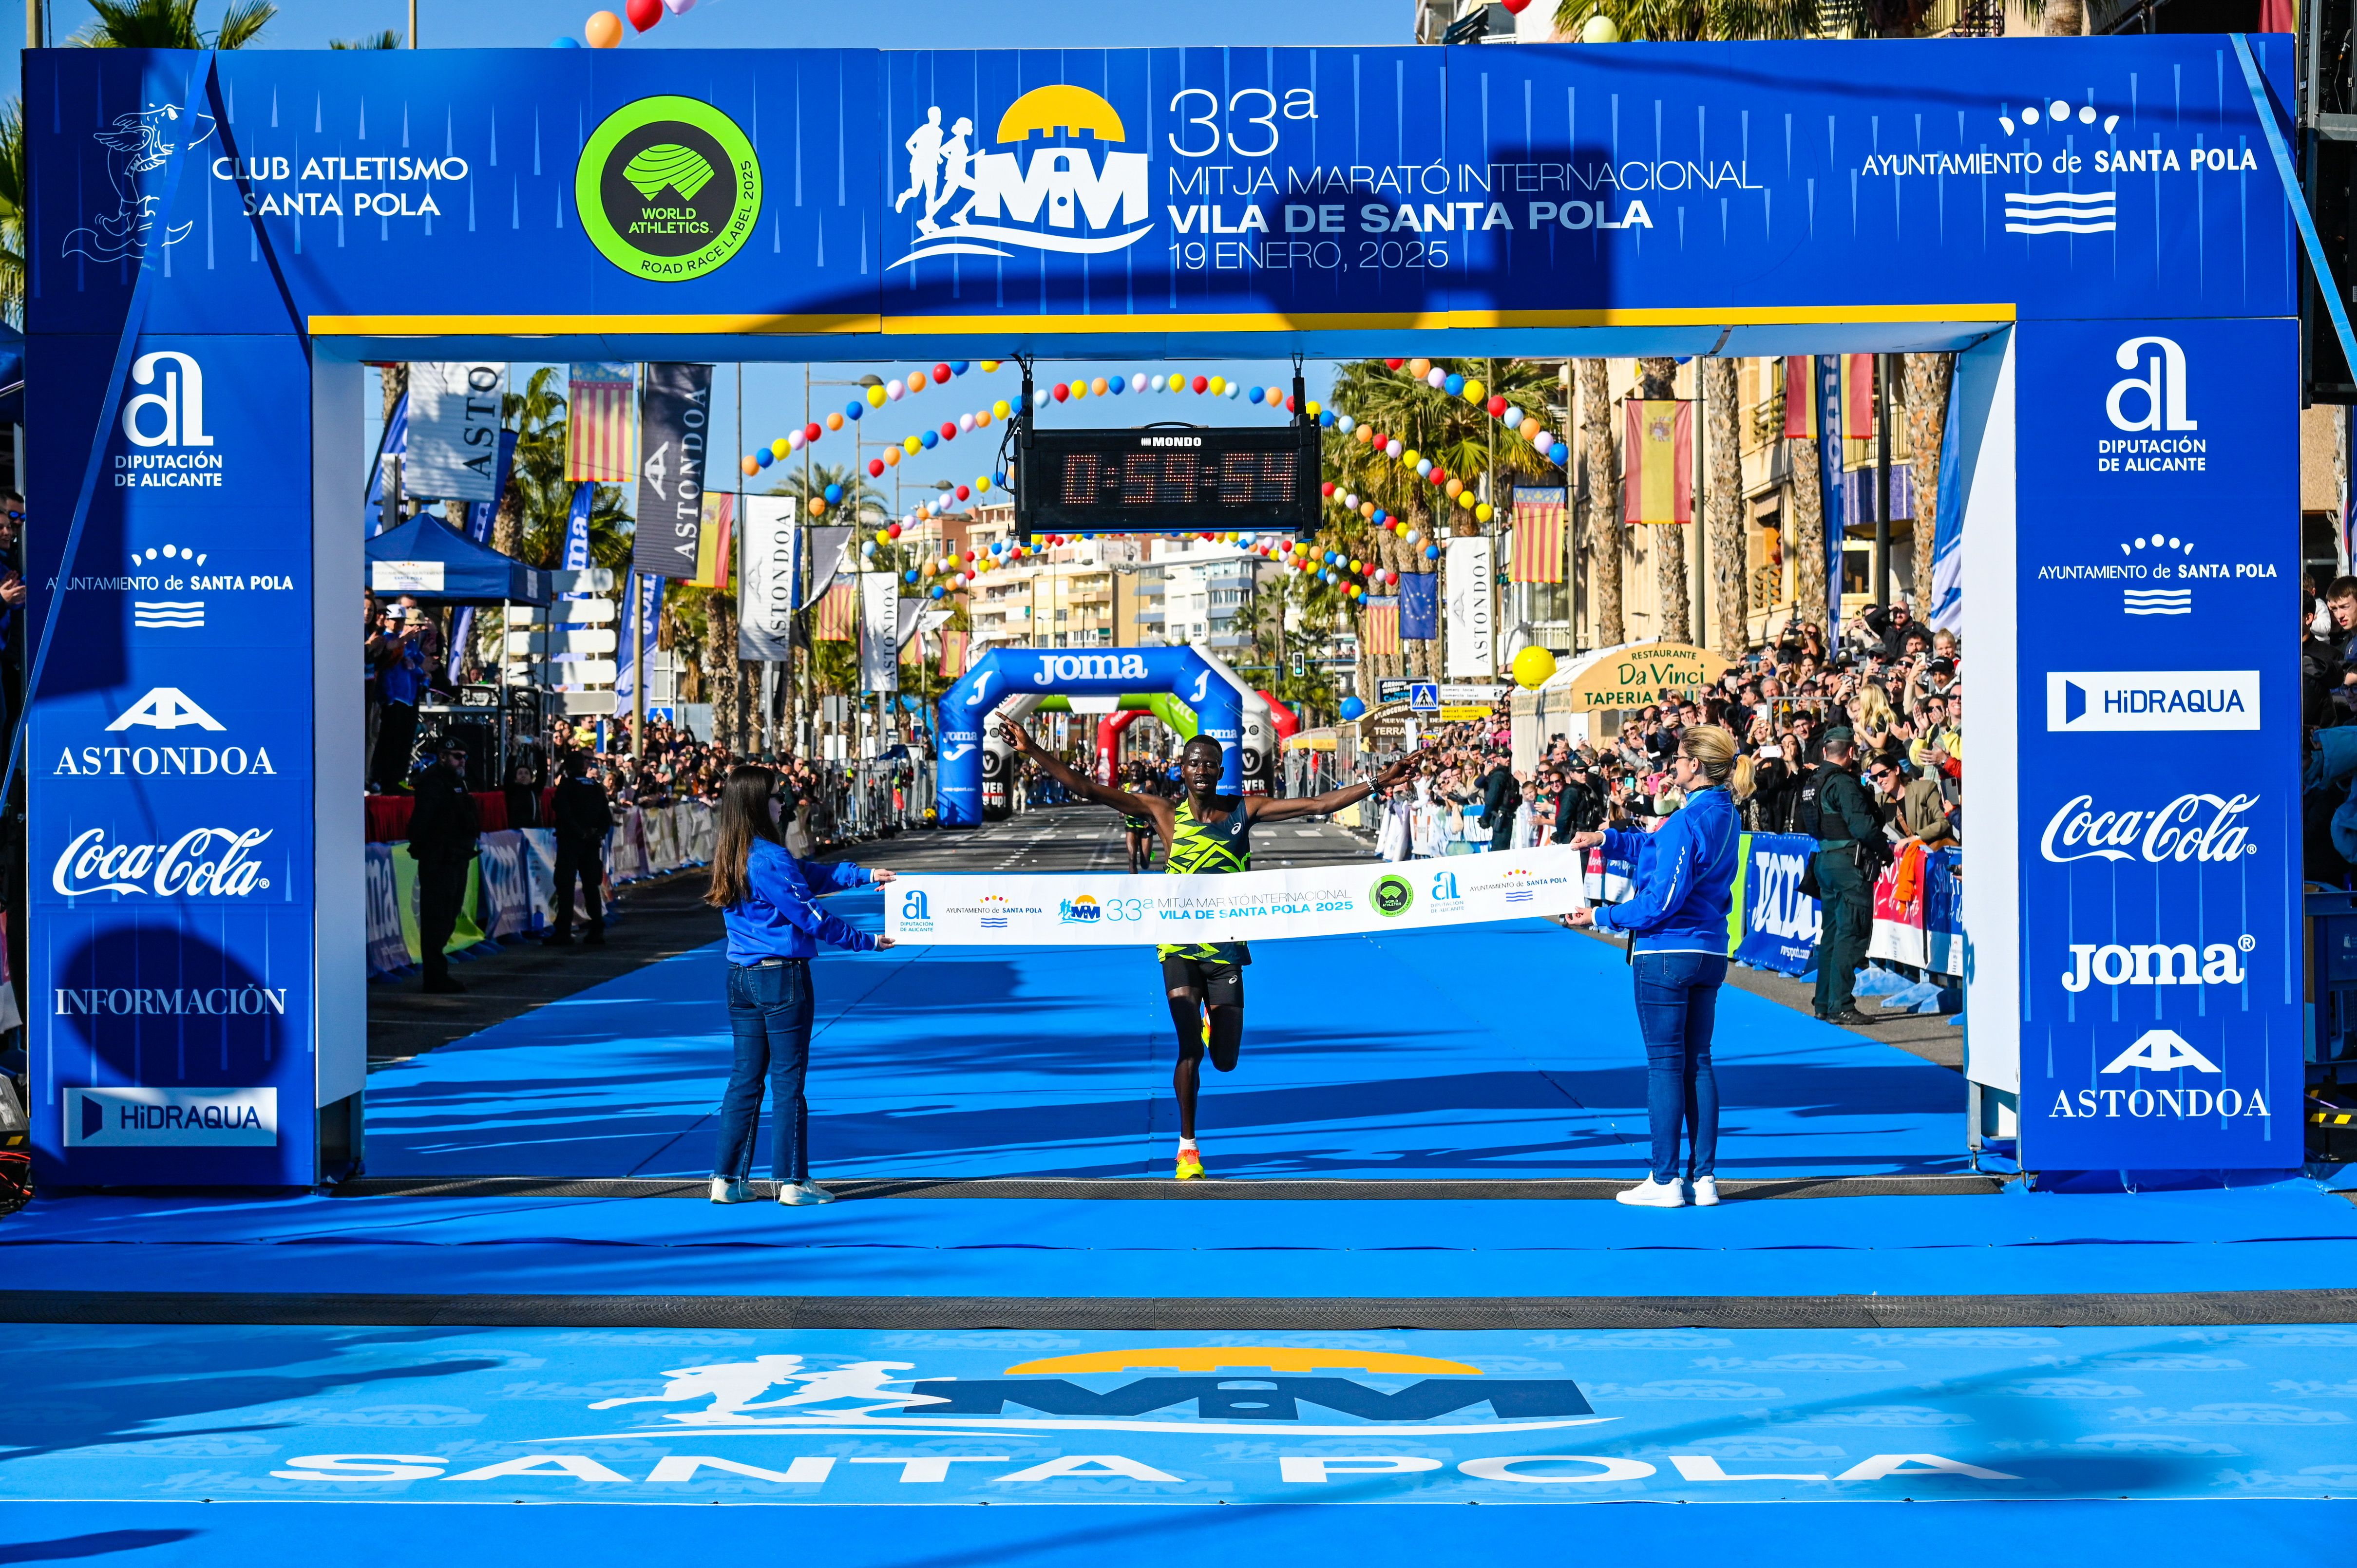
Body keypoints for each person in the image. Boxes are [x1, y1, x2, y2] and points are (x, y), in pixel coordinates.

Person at [1001, 720, 1415, 1180]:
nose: (1202, 770)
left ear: (1220, 772)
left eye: (1210, 765)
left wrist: (1379, 781)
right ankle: (1188, 1148)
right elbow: (1088, 787)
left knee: (1224, 1058)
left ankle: (1211, 1026)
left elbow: (1318, 803)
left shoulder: (1245, 810)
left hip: (1226, 949)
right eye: (1194, 763)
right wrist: (1032, 748)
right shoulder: (1161, 812)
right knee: (1187, 1048)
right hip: (1178, 944)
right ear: (1181, 769)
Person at [1565, 725, 1744, 1209]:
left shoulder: (1689, 820)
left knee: (1666, 1064)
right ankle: (1702, 1177)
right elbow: (1657, 848)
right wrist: (1605, 838)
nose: (1670, 768)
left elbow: (1660, 900)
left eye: (1678, 760)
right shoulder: (1724, 813)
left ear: (1694, 767)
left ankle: (1665, 1179)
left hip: (1667, 950)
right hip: (1708, 948)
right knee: (1698, 1062)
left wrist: (1599, 916)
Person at [703, 763, 897, 1208]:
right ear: (759, 803)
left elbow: (804, 876)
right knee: (788, 1079)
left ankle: (727, 1177)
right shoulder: (768, 856)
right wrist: (866, 941)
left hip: (741, 977)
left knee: (745, 1079)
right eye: (776, 795)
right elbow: (810, 914)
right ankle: (792, 1180)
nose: (783, 802)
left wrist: (862, 875)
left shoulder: (735, 852)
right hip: (781, 977)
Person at [1805, 728, 1885, 1026]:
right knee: (1851, 934)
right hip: (1848, 863)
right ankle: (1842, 1005)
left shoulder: (1813, 783)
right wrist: (1884, 850)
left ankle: (1824, 1003)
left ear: (1825, 752)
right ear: (1850, 752)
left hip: (1825, 859)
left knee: (1832, 935)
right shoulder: (1843, 784)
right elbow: (1863, 827)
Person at [406, 736, 481, 995]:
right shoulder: (432, 784)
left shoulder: (457, 781)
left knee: (449, 917)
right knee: (436, 919)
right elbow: (421, 824)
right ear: (443, 757)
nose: (463, 762)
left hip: (456, 858)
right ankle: (435, 977)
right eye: (458, 757)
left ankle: (438, 973)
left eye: (465, 757)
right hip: (439, 860)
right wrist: (429, 851)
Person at [548, 749, 615, 947]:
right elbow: (606, 817)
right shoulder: (595, 786)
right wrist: (596, 834)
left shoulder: (567, 786)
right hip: (591, 843)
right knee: (591, 887)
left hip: (571, 842)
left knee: (566, 886)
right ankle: (597, 929)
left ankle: (564, 931)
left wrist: (579, 832)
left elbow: (563, 812)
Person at [1479, 749, 1520, 852]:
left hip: (1507, 816)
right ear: (1498, 759)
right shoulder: (1499, 776)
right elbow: (1492, 799)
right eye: (1505, 756)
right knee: (1500, 850)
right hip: (1500, 817)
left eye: (1510, 756)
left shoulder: (1508, 774)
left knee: (1504, 849)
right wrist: (1486, 817)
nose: (1508, 759)